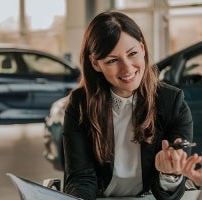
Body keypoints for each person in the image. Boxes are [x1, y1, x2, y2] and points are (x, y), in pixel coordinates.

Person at [62, 11, 193, 200]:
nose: (127, 68)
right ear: (96, 64)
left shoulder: (172, 102)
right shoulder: (79, 105)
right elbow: (81, 178)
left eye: (132, 53)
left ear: (142, 48)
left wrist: (170, 175)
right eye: (112, 60)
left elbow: (167, 195)